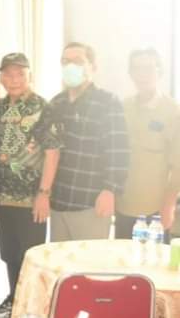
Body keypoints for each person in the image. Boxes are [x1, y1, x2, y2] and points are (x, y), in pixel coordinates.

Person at [0, 53, 59, 318]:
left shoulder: (42, 107)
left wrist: (44, 193)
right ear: (2, 78)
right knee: (9, 252)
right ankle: (14, 298)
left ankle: (28, 309)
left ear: (30, 75)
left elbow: (52, 152)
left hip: (31, 197)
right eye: (8, 74)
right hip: (4, 194)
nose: (14, 79)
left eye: (20, 74)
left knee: (30, 255)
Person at [48, 42, 128, 242]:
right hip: (59, 201)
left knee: (89, 259)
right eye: (65, 61)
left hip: (90, 202)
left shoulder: (107, 102)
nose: (70, 66)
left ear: (93, 67)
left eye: (77, 61)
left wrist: (110, 191)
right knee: (60, 259)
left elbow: (118, 151)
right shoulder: (56, 103)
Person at [116, 48, 179, 241]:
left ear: (159, 71)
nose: (142, 74)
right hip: (123, 205)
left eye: (148, 68)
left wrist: (169, 204)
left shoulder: (173, 111)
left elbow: (178, 165)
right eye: (137, 69)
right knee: (123, 257)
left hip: (156, 210)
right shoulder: (123, 107)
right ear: (131, 74)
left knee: (154, 259)